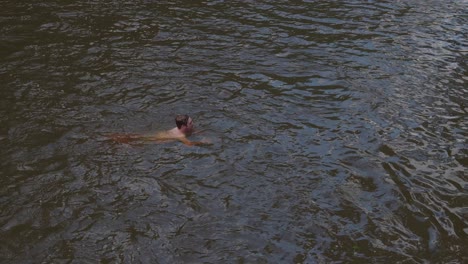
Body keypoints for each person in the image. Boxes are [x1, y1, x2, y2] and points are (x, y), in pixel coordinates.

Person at [108, 115, 209, 146]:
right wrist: (202, 142)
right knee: (134, 140)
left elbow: (192, 131)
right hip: (158, 138)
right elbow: (189, 144)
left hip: (161, 134)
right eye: (191, 123)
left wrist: (200, 132)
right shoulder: (180, 136)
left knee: (136, 136)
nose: (193, 123)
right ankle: (115, 139)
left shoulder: (181, 129)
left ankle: (115, 137)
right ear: (184, 126)